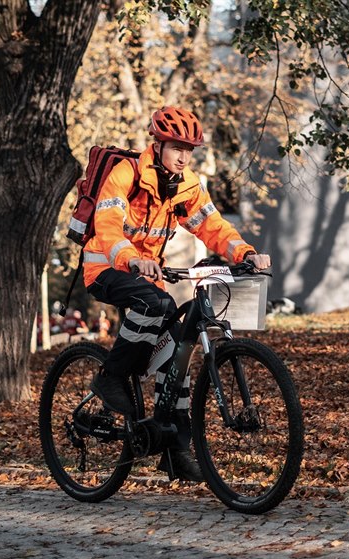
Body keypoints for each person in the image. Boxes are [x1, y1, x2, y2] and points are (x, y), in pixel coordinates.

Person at [81, 106, 271, 482]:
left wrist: (244, 252)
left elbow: (212, 226)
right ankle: (111, 377)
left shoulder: (187, 184)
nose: (184, 156)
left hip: (147, 273)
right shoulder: (127, 173)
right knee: (158, 303)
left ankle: (176, 451)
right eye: (177, 147)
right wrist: (132, 260)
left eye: (190, 149)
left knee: (176, 356)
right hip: (105, 266)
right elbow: (106, 225)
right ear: (159, 143)